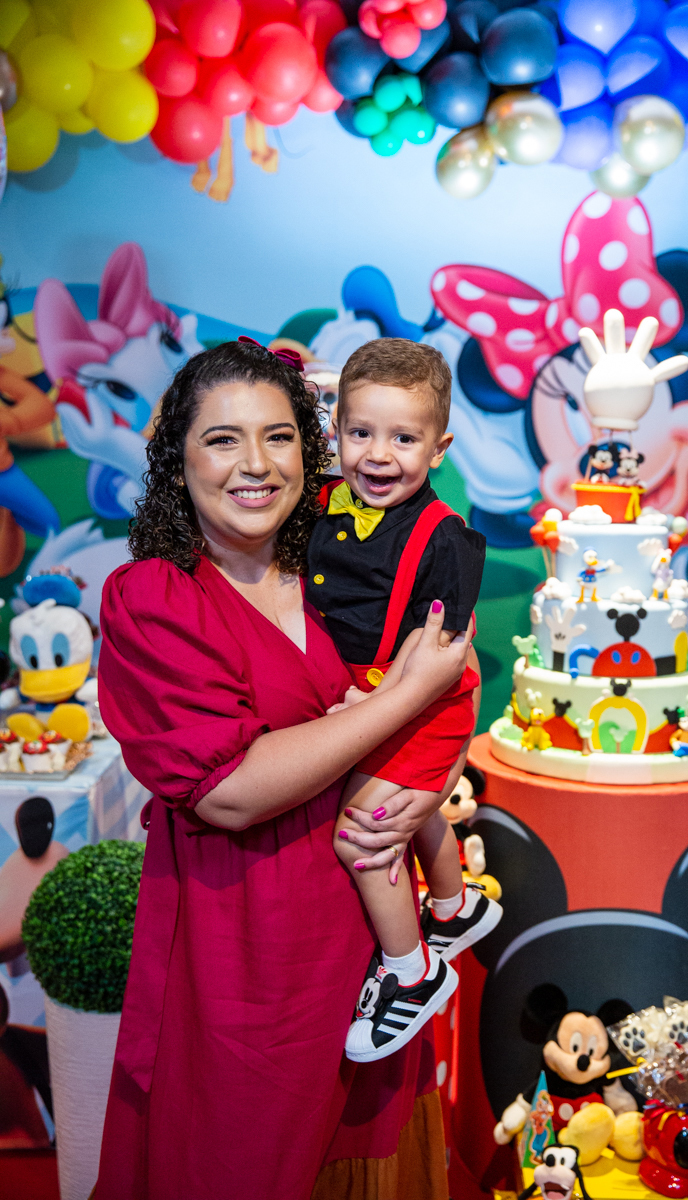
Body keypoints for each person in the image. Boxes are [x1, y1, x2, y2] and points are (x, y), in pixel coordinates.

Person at [94, 339, 473, 1200]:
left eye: (279, 436)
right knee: (237, 1154)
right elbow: (228, 792)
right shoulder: (155, 597)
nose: (257, 465)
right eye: (223, 440)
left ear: (312, 448)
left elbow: (453, 676)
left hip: (371, 942)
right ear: (178, 460)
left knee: (367, 1151)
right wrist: (404, 700)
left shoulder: (339, 568)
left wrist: (429, 778)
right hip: (243, 949)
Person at [306, 339, 502, 1064]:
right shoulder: (322, 505)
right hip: (373, 694)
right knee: (405, 810)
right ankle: (454, 906)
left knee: (364, 833)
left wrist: (366, 711)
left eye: (404, 439)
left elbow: (434, 654)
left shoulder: (446, 539)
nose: (378, 455)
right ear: (335, 432)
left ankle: (411, 970)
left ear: (438, 449)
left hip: (427, 698)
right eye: (361, 432)